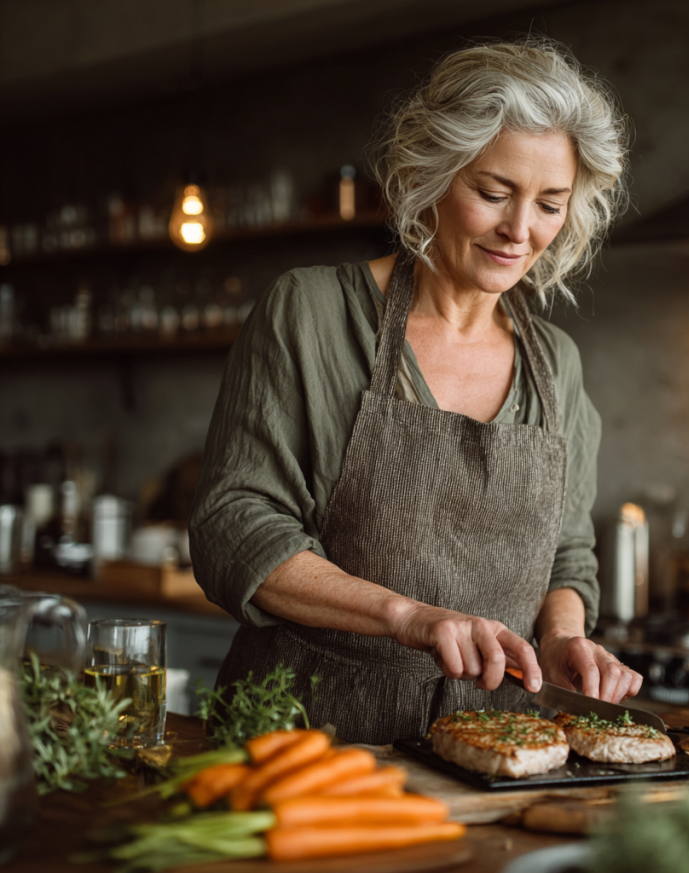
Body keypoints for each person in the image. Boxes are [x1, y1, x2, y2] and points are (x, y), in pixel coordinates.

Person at [190, 37, 643, 745]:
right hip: (304, 732)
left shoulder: (556, 363)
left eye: (549, 204)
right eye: (492, 193)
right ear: (429, 176)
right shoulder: (310, 311)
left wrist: (561, 638)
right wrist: (409, 618)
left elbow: (566, 553)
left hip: (496, 748)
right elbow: (233, 528)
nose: (519, 231)